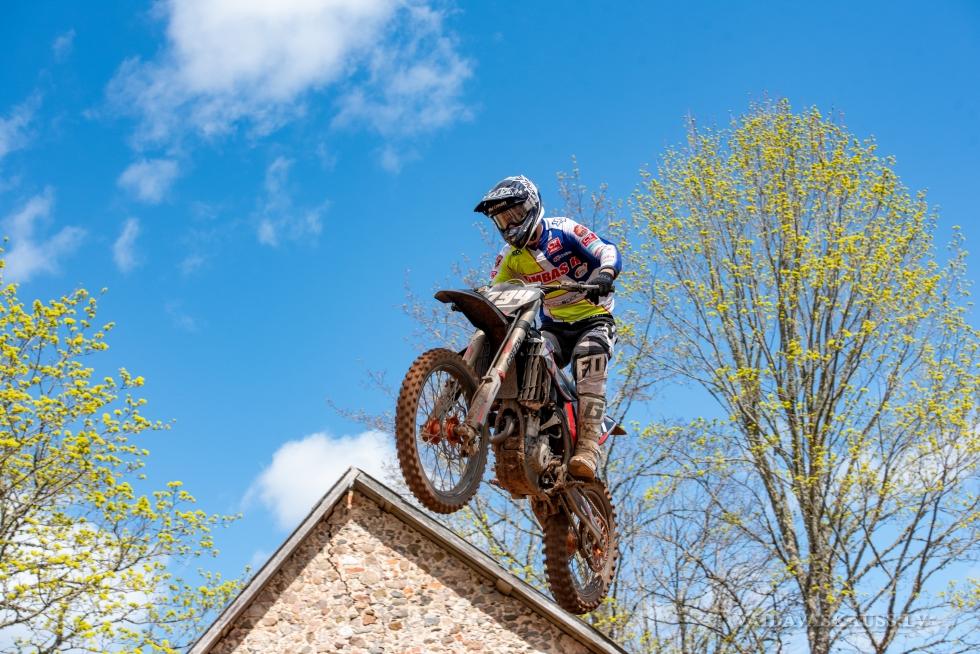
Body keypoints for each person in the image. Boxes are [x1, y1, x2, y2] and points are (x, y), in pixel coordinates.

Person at [474, 175, 621, 480]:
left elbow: (606, 250)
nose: (510, 225)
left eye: (514, 215)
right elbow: (495, 293)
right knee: (528, 356)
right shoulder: (509, 257)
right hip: (554, 326)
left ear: (531, 207)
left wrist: (605, 274)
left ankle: (588, 449)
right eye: (502, 220)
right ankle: (522, 434)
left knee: (589, 354)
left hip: (594, 318)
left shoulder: (563, 230)